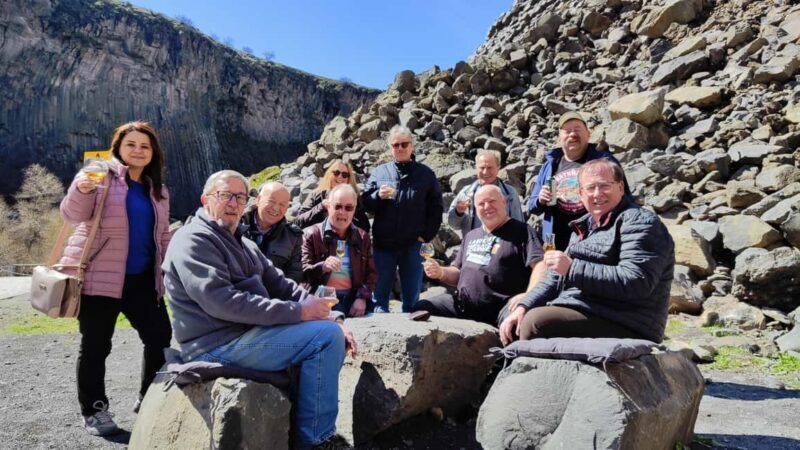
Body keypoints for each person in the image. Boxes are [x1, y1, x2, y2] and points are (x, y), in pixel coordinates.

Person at [161, 170, 356, 450]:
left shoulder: (245, 242)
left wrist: (332, 315)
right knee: (324, 339)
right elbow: (222, 301)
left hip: (247, 335)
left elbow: (282, 285)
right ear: (205, 199)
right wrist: (299, 312)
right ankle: (315, 440)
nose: (233, 203)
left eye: (240, 197)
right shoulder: (193, 239)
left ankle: (308, 431)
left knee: (330, 331)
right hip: (216, 343)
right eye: (224, 195)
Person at [59, 121, 172, 436]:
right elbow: (71, 215)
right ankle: (95, 411)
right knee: (96, 346)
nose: (138, 150)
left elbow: (163, 237)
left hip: (142, 282)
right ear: (118, 148)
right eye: (131, 144)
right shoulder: (99, 176)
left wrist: (169, 270)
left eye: (144, 146)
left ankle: (149, 397)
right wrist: (80, 189)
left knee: (160, 337)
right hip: (100, 278)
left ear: (153, 154)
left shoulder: (158, 190)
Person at [500, 159, 675, 345]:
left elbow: (636, 281)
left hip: (627, 320)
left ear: (621, 187)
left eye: (604, 186)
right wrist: (524, 305)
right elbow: (554, 278)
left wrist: (572, 268)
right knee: (513, 315)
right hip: (588, 309)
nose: (597, 194)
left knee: (535, 323)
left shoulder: (640, 222)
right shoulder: (583, 227)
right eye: (590, 188)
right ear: (581, 194)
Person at [416, 185, 545, 326]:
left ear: (504, 202)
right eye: (481, 204)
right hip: (463, 305)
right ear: (475, 209)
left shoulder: (523, 231)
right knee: (422, 307)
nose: (487, 206)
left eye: (492, 201)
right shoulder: (471, 236)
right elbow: (458, 272)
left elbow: (540, 264)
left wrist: (529, 295)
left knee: (520, 322)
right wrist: (441, 272)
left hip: (503, 306)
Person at [361, 125, 444, 313]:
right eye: (395, 145)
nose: (400, 148)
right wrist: (376, 197)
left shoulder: (425, 174)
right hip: (383, 245)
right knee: (379, 295)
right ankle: (378, 331)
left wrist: (424, 237)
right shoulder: (379, 172)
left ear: (411, 146)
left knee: (412, 297)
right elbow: (365, 203)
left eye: (404, 144)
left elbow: (436, 208)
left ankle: (412, 335)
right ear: (390, 148)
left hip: (412, 245)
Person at [527, 112, 631, 250]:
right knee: (553, 270)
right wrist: (540, 200)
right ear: (560, 137)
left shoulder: (604, 161)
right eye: (567, 131)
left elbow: (625, 199)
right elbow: (531, 207)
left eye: (577, 129)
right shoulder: (550, 165)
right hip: (554, 240)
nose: (572, 134)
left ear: (588, 134)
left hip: (595, 238)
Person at [301, 184, 377, 318]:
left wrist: (362, 298)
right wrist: (322, 267)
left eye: (348, 208)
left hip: (352, 299)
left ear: (354, 210)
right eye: (337, 206)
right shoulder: (311, 234)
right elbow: (301, 272)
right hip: (321, 299)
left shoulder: (362, 237)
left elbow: (371, 273)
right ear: (328, 206)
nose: (342, 212)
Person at [447, 149, 524, 236]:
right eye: (482, 168)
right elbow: (453, 224)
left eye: (489, 168)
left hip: (502, 246)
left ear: (498, 168)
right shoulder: (465, 193)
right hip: (473, 246)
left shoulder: (510, 194)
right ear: (476, 168)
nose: (485, 172)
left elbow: (519, 226)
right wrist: (458, 212)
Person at [241, 181, 303, 282]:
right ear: (258, 200)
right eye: (271, 201)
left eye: (282, 205)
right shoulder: (235, 225)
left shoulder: (293, 236)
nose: (275, 208)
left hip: (273, 294)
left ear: (287, 208)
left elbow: (295, 273)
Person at [293, 159, 370, 232]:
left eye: (344, 174)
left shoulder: (354, 198)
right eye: (336, 173)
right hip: (317, 241)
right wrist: (321, 207)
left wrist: (347, 216)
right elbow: (298, 222)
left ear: (349, 179)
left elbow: (365, 227)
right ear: (329, 174)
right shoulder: (316, 194)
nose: (340, 177)